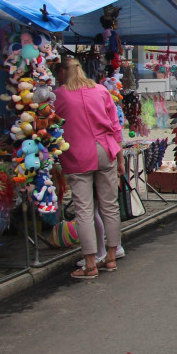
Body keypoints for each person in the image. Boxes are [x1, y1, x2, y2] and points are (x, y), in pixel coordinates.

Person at [54, 56, 124, 280]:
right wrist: (120, 157)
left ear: (62, 73)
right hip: (105, 150)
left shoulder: (59, 96)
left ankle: (90, 264)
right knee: (110, 206)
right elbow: (115, 125)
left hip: (77, 155)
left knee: (84, 210)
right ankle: (111, 257)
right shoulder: (101, 90)